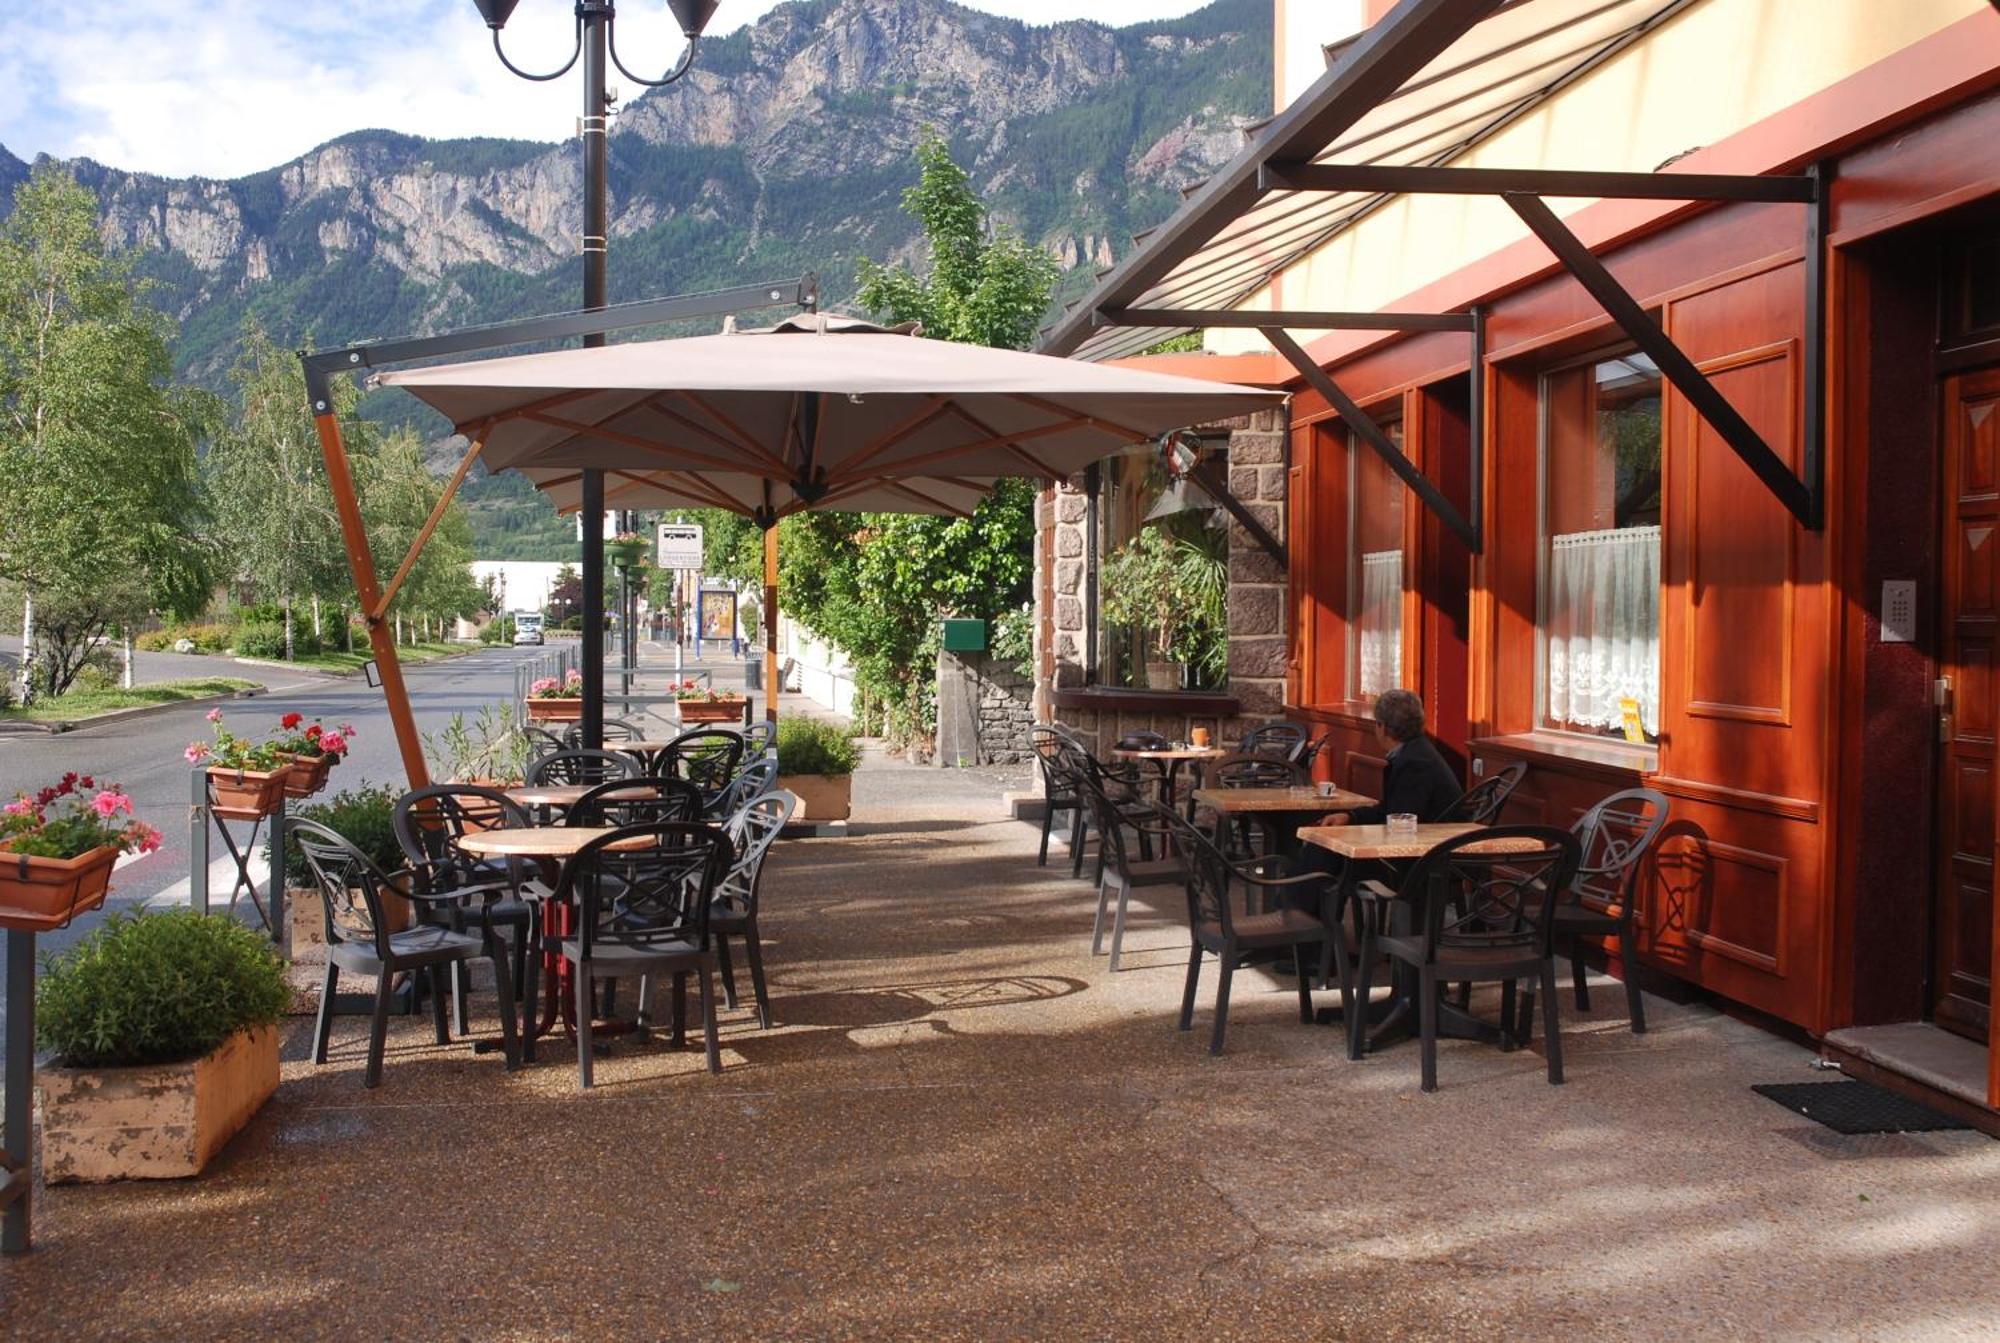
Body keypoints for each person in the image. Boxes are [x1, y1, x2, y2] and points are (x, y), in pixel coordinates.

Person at [1315, 688, 1463, 828]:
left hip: (1432, 848)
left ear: (1383, 728)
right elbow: (1391, 811)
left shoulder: (1414, 764)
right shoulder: (1417, 751)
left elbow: (1400, 822)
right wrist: (1350, 816)